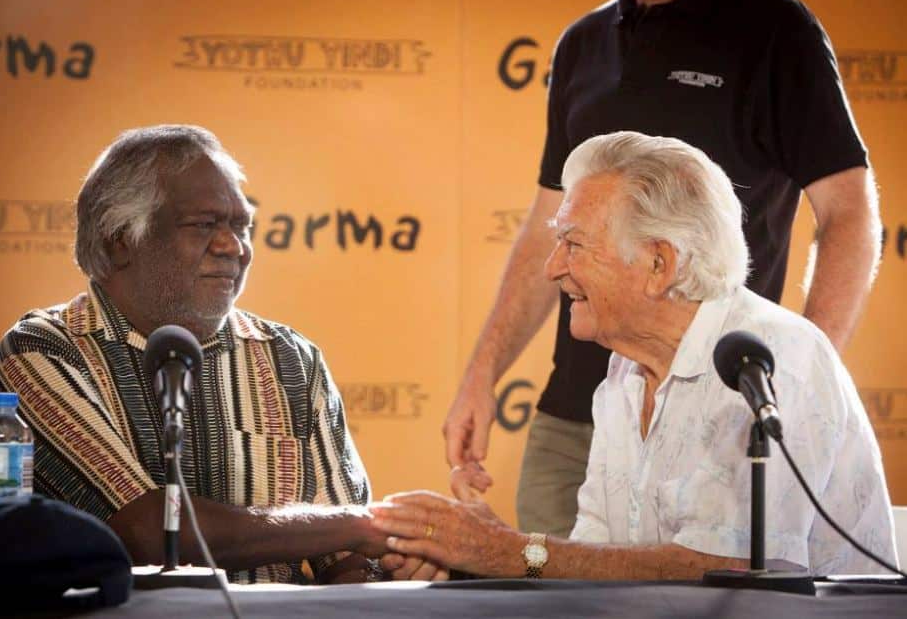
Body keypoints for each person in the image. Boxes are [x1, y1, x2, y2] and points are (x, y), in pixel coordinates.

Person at [444, 0, 883, 537]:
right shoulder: (583, 42)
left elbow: (848, 211)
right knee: (558, 592)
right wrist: (482, 373)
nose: (561, 265)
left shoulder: (775, 29)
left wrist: (794, 380)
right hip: (581, 408)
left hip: (720, 408)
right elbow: (546, 228)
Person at [377, 132, 896, 579]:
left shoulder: (775, 357)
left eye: (574, 245)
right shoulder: (625, 371)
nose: (552, 269)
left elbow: (727, 569)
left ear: (658, 263)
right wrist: (482, 550)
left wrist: (507, 551)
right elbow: (592, 558)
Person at [0, 124, 442, 584]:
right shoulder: (46, 349)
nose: (235, 247)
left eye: (242, 226)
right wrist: (362, 525)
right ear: (119, 238)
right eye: (205, 225)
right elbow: (150, 532)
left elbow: (345, 557)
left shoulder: (290, 359)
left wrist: (383, 563)